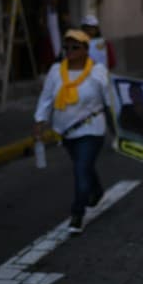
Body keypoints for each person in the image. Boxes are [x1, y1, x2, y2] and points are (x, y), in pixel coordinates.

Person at [33, 29, 111, 233]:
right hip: (65, 131)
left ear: (86, 49)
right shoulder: (56, 70)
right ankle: (97, 190)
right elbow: (47, 98)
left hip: (92, 130)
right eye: (66, 47)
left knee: (80, 168)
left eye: (75, 47)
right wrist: (40, 121)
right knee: (83, 167)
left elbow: (111, 99)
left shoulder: (97, 71)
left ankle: (77, 214)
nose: (70, 50)